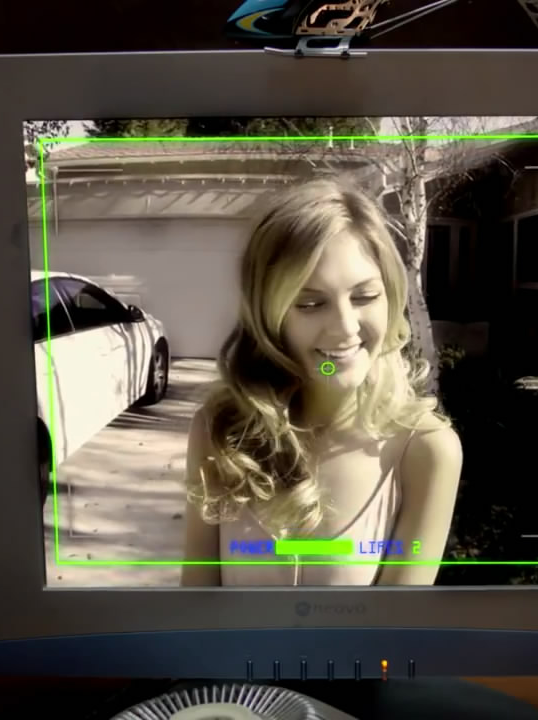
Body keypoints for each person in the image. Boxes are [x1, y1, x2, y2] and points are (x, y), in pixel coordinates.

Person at [180, 176, 463, 587]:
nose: (345, 328)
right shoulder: (217, 431)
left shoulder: (427, 452)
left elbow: (397, 625)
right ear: (269, 316)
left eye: (365, 297)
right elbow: (196, 604)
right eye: (311, 304)